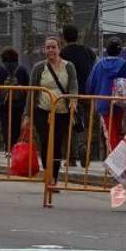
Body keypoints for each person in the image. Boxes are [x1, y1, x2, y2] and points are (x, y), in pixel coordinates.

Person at [31, 36, 79, 183]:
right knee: (45, 141)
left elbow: (73, 85)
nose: (51, 50)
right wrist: (27, 114)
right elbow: (31, 92)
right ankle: (47, 172)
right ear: (44, 49)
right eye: (48, 47)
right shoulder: (39, 67)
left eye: (54, 47)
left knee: (57, 143)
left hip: (62, 111)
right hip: (42, 110)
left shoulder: (69, 66)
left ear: (59, 49)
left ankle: (54, 176)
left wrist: (73, 100)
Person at [85, 36, 126, 153]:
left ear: (106, 49)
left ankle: (114, 161)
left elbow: (90, 84)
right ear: (120, 50)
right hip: (120, 103)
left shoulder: (98, 65)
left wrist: (92, 94)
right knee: (117, 131)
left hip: (103, 103)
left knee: (109, 132)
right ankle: (118, 159)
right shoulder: (125, 65)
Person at [61, 25, 97, 167]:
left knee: (69, 125)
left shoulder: (62, 53)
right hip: (87, 94)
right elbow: (94, 67)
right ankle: (84, 147)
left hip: (69, 95)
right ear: (78, 36)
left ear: (64, 37)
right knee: (87, 125)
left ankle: (70, 158)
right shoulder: (88, 51)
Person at [0, 47, 31, 151]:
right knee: (17, 126)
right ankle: (15, 148)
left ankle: (8, 148)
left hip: (4, 104)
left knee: (6, 126)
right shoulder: (22, 69)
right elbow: (28, 87)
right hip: (19, 105)